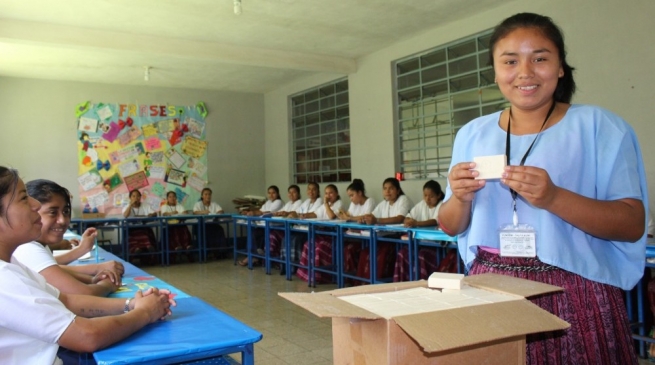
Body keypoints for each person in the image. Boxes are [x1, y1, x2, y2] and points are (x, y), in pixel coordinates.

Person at [438, 13, 647, 364]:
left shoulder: (600, 127)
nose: (525, 72)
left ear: (561, 67)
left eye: (540, 58)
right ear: (494, 71)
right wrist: (460, 196)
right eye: (510, 61)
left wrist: (554, 197)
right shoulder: (471, 133)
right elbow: (450, 225)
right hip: (490, 289)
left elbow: (631, 224)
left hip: (576, 292)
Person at [0, 166, 174, 364]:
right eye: (23, 198)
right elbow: (86, 336)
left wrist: (131, 304)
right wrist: (145, 312)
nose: (34, 204)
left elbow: (66, 300)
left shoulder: (11, 263)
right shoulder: (3, 279)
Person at [13, 179, 123, 297]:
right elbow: (85, 294)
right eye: (52, 212)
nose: (63, 220)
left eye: (66, 211)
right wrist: (107, 284)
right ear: (32, 212)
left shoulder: (35, 245)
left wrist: (91, 279)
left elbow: (53, 268)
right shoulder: (27, 249)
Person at [355, 177, 412, 283]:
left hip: (397, 239)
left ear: (398, 190)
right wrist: (364, 219)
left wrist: (377, 220)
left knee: (381, 255)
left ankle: (378, 283)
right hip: (384, 237)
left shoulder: (403, 199)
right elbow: (372, 215)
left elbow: (400, 218)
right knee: (365, 253)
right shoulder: (383, 203)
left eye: (391, 188)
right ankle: (363, 282)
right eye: (385, 188)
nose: (387, 191)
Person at [393, 180, 447, 282]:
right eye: (425, 195)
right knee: (402, 253)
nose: (427, 199)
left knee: (421, 256)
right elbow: (408, 217)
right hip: (420, 243)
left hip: (437, 246)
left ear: (439, 195)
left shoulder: (442, 204)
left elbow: (434, 221)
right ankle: (403, 282)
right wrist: (408, 220)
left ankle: (422, 283)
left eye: (431, 196)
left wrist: (416, 223)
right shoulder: (422, 204)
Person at [296, 184, 343, 283]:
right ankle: (308, 274)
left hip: (333, 236)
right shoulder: (324, 205)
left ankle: (320, 276)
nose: (328, 195)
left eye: (331, 193)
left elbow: (331, 216)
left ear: (336, 193)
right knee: (308, 244)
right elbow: (315, 214)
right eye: (326, 193)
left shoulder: (339, 204)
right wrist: (304, 215)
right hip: (323, 234)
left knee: (319, 247)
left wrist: (326, 204)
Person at [279, 182, 323, 272]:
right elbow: (297, 212)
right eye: (309, 189)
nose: (311, 191)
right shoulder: (306, 201)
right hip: (302, 228)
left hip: (313, 230)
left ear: (318, 191)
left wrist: (298, 215)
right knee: (286, 238)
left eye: (314, 189)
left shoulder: (320, 201)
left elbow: (313, 214)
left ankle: (297, 266)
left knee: (296, 239)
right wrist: (292, 214)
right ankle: (286, 266)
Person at [338, 179, 376, 276]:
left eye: (352, 195)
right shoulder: (353, 204)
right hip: (354, 234)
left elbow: (365, 217)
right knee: (340, 246)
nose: (351, 199)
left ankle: (355, 275)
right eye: (349, 196)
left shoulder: (370, 201)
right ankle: (348, 275)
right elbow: (349, 215)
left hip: (366, 237)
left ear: (360, 193)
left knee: (349, 249)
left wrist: (350, 218)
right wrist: (343, 215)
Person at [238, 186, 283, 266]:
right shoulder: (268, 202)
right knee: (253, 231)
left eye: (273, 193)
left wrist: (254, 213)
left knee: (256, 233)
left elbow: (268, 212)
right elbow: (261, 210)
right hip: (265, 226)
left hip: (274, 227)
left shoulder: (279, 202)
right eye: (269, 193)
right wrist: (249, 212)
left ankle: (255, 256)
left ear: (278, 194)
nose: (271, 195)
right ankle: (253, 255)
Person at [268, 185, 303, 260]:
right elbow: (282, 212)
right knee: (271, 233)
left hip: (293, 227)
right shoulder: (289, 203)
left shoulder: (300, 203)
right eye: (289, 192)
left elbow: (294, 215)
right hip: (285, 226)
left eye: (294, 192)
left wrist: (286, 214)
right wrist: (278, 213)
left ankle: (275, 259)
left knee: (274, 234)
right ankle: (270, 258)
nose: (291, 194)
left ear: (298, 194)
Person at [123, 189, 158, 258]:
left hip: (144, 228)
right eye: (134, 196)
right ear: (130, 198)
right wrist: (130, 205)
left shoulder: (145, 205)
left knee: (144, 232)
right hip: (131, 229)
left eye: (138, 196)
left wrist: (152, 214)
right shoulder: (127, 207)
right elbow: (125, 215)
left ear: (140, 198)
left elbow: (154, 213)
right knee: (133, 235)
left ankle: (148, 248)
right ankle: (140, 248)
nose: (136, 198)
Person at [193, 188, 227, 256]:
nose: (208, 196)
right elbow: (195, 212)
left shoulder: (214, 204)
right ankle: (209, 252)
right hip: (201, 225)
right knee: (207, 232)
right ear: (202, 196)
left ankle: (221, 252)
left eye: (209, 194)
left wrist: (218, 213)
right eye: (206, 194)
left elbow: (221, 211)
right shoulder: (198, 204)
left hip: (212, 224)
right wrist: (203, 212)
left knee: (220, 230)